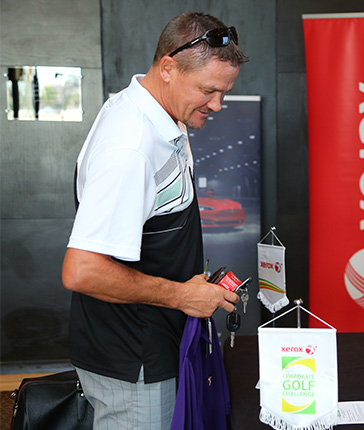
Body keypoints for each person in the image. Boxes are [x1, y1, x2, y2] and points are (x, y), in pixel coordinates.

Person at [62, 11, 249, 429]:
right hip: (135, 362)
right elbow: (82, 270)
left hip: (152, 347)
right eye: (208, 90)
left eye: (224, 92)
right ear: (168, 67)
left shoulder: (159, 115)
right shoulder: (130, 146)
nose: (217, 105)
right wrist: (182, 296)